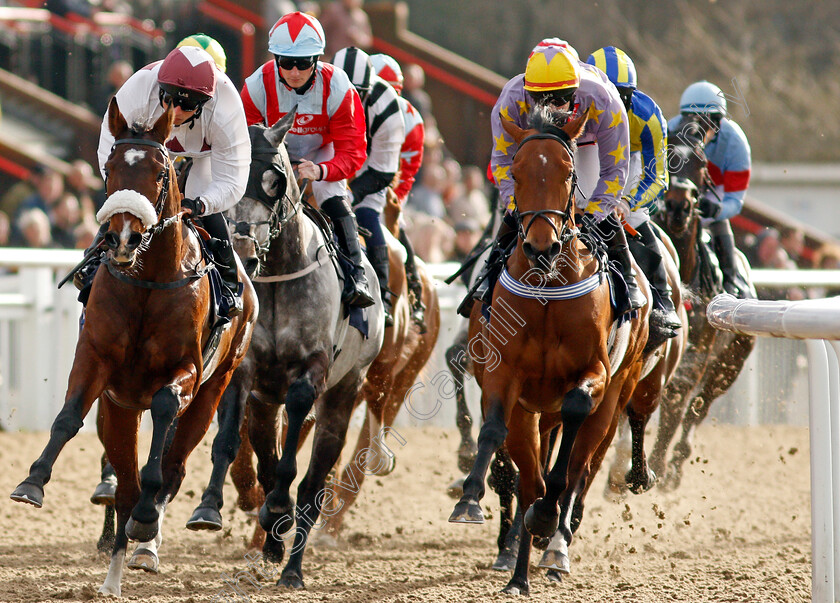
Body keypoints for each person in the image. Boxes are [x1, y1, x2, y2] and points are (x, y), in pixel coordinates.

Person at [460, 42, 644, 323]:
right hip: (535, 144)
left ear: (575, 91)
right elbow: (501, 164)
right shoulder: (510, 100)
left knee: (590, 205)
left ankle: (627, 281)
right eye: (542, 100)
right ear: (528, 93)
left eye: (559, 99)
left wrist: (594, 213)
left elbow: (615, 168)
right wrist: (518, 208)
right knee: (520, 207)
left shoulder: (603, 99)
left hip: (587, 142)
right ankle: (488, 276)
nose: (551, 107)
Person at [83, 45, 251, 316]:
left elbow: (233, 180)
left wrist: (199, 205)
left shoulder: (226, 107)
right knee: (127, 199)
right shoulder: (136, 92)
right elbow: (111, 160)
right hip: (149, 149)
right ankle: (91, 264)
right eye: (170, 98)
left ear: (205, 102)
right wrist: (126, 198)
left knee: (199, 192)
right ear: (159, 87)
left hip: (204, 155)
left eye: (189, 104)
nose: (177, 109)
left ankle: (229, 281)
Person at [240, 12, 375, 309]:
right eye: (286, 63)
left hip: (321, 152)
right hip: (274, 152)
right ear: (275, 59)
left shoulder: (339, 86)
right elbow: (243, 142)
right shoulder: (256, 85)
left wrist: (322, 170)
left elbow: (352, 151)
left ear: (317, 59)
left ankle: (356, 274)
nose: (294, 71)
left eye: (303, 62)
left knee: (331, 194)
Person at [587, 46, 681, 336]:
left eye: (622, 95)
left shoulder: (648, 117)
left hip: (629, 165)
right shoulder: (577, 107)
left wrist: (627, 204)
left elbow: (658, 175)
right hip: (591, 158)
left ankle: (663, 302)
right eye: (607, 94)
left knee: (637, 221)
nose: (614, 103)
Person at [332, 46, 404, 326]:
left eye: (357, 93)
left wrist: (352, 192)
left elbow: (383, 171)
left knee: (365, 216)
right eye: (343, 90)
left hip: (369, 169)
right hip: (331, 159)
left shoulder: (387, 107)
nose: (349, 99)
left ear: (369, 89)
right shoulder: (319, 86)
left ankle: (384, 298)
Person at [668, 80, 752, 298]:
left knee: (720, 225)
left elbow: (735, 200)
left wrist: (717, 210)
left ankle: (733, 283)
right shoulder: (669, 130)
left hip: (716, 196)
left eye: (705, 122)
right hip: (678, 196)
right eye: (690, 119)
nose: (697, 128)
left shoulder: (735, 142)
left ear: (718, 122)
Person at [369, 51, 428, 327]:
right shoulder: (351, 107)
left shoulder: (412, 121)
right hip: (354, 182)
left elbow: (409, 169)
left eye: (388, 93)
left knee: (397, 229)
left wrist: (395, 202)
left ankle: (415, 292)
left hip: (388, 185)